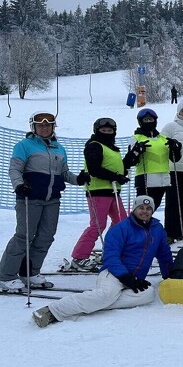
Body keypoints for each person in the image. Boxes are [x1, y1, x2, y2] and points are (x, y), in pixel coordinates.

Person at [31, 195, 174, 327]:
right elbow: (111, 257)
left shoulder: (157, 229)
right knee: (106, 295)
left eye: (149, 208)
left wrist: (170, 275)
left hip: (135, 278)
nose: (145, 211)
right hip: (113, 274)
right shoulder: (121, 228)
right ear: (134, 209)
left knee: (148, 294)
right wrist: (125, 277)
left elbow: (164, 254)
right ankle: (52, 311)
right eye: (141, 208)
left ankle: (92, 304)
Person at [0, 112, 86, 291]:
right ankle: (5, 276)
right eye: (40, 125)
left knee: (45, 237)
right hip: (30, 198)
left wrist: (78, 179)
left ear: (53, 127)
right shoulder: (24, 145)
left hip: (52, 200)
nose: (44, 128)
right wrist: (19, 185)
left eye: (48, 125)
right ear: (33, 127)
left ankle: (30, 273)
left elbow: (64, 173)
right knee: (24, 236)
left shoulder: (59, 148)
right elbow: (15, 169)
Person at [69, 117, 137, 272]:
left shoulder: (112, 148)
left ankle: (111, 251)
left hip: (113, 191)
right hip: (98, 191)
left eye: (110, 131)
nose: (107, 133)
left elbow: (117, 168)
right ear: (96, 131)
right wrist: (116, 177)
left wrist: (130, 159)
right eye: (103, 131)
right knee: (98, 225)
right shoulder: (94, 146)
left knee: (121, 221)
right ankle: (79, 257)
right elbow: (94, 169)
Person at [126, 108, 182, 210]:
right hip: (145, 180)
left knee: (151, 210)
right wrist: (137, 150)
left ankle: (148, 226)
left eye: (151, 119)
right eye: (146, 120)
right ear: (140, 122)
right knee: (142, 211)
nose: (148, 122)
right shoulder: (136, 138)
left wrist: (176, 149)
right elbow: (131, 161)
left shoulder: (162, 139)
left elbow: (175, 159)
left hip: (163, 180)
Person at [162, 100, 183, 242]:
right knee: (173, 201)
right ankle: (170, 232)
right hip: (174, 169)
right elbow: (162, 144)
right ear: (178, 112)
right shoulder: (171, 126)